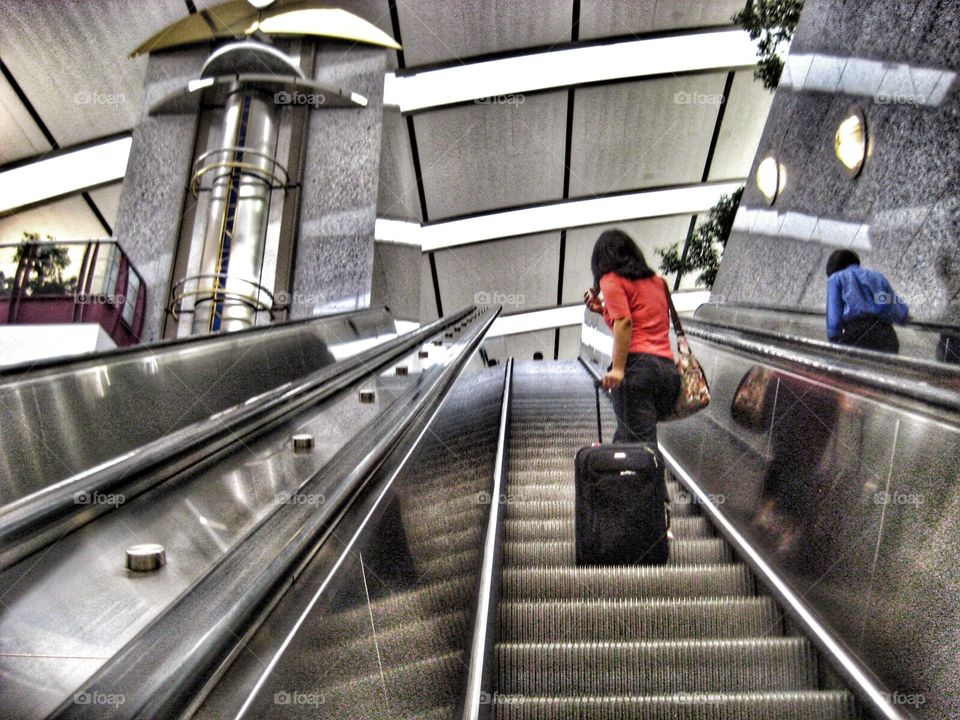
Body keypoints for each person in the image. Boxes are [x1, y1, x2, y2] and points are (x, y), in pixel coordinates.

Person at [584, 229, 680, 444]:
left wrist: (618, 370)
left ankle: (648, 477)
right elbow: (640, 322)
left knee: (640, 448)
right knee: (630, 439)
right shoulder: (657, 282)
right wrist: (602, 310)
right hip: (666, 372)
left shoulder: (611, 279)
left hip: (637, 371)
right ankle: (608, 467)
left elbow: (625, 323)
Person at [825, 249, 908, 353]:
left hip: (856, 334)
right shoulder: (878, 277)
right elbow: (893, 307)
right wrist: (903, 318)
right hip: (885, 334)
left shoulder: (836, 279)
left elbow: (834, 314)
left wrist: (833, 337)